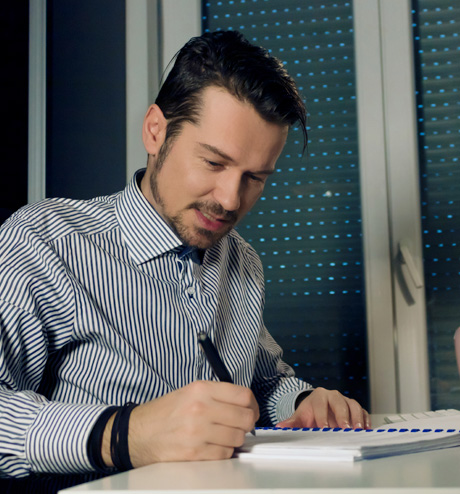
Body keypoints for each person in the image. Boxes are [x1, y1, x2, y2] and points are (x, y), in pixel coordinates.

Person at [0, 30, 369, 478]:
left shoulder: (242, 261)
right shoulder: (43, 242)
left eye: (255, 177)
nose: (230, 199)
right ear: (156, 131)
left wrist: (303, 401)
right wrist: (127, 434)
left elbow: (262, 381)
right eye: (213, 162)